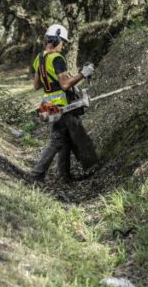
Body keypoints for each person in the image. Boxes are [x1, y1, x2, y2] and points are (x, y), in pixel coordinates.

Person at [29, 24, 99, 184]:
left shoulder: (39, 59)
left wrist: (52, 79)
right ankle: (36, 175)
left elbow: (36, 85)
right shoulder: (57, 58)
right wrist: (83, 73)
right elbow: (65, 85)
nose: (63, 45)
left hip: (49, 105)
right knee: (59, 140)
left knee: (64, 139)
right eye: (62, 42)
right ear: (55, 39)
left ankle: (64, 176)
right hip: (63, 106)